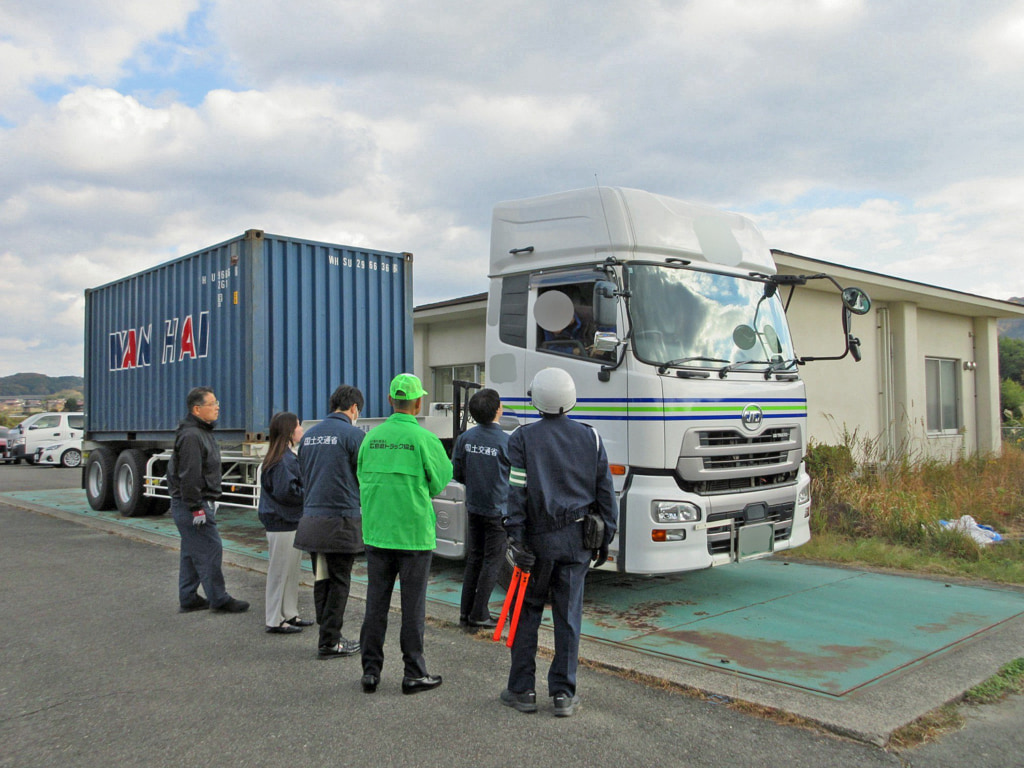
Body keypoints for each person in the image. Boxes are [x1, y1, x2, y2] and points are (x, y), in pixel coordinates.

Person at [500, 367, 617, 717]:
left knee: (527, 614)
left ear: (536, 400)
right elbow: (605, 493)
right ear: (570, 399)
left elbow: (516, 493)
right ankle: (564, 694)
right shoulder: (592, 438)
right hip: (577, 542)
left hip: (536, 543)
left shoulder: (521, 439)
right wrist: (605, 538)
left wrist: (516, 539)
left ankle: (522, 690)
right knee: (568, 617)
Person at [357, 373, 453, 695]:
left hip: (377, 533)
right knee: (412, 607)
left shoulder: (371, 439)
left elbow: (361, 477)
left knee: (376, 603)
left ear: (390, 401)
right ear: (418, 403)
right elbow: (441, 480)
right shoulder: (425, 439)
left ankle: (370, 672)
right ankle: (413, 673)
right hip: (413, 534)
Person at [294, 385, 365, 659]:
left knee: (322, 577)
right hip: (341, 520)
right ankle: (331, 641)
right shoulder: (354, 436)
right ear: (354, 408)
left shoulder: (309, 436)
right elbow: (364, 477)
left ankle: (327, 636)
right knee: (339, 581)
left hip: (312, 520)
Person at [167, 386, 249, 614]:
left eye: (217, 403)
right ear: (197, 409)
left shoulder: (200, 432)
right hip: (192, 504)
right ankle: (219, 599)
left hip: (192, 502)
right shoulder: (192, 436)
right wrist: (196, 508)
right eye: (212, 404)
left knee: (192, 551)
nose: (217, 407)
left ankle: (188, 597)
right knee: (211, 548)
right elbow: (190, 474)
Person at [452, 388, 510, 629]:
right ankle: (480, 613)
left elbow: (457, 473)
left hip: (474, 507)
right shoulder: (507, 441)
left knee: (475, 558)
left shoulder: (465, 439)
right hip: (498, 510)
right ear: (498, 410)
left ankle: (465, 612)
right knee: (492, 561)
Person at [258, 411, 311, 634]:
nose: (301, 429)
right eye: (298, 426)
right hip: (282, 521)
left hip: (287, 521)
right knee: (280, 572)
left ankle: (289, 613)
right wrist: (309, 493)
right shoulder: (283, 460)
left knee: (290, 571)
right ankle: (274, 619)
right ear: (289, 431)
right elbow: (286, 492)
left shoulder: (283, 456)